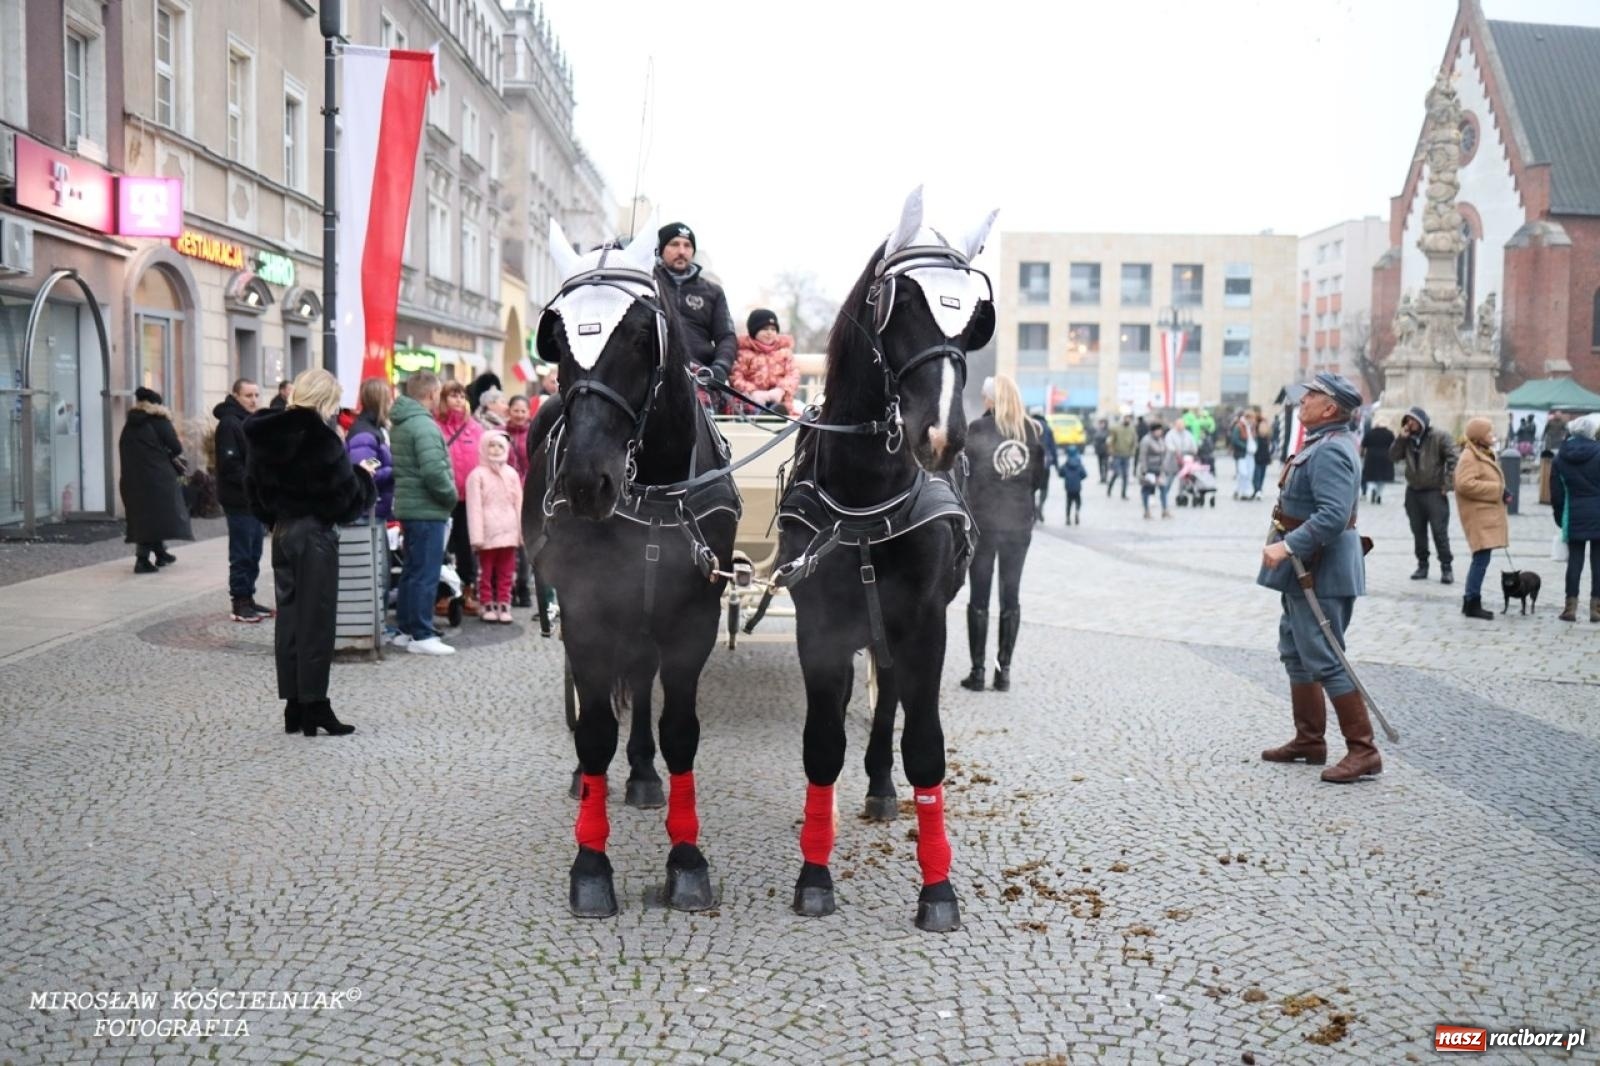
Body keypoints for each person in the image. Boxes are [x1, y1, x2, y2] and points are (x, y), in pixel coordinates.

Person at [1258, 372, 1379, 784]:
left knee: (1327, 656)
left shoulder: (1331, 450)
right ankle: (1309, 739)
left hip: (1321, 567)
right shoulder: (1320, 442)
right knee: (1295, 650)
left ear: (1330, 408)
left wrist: (1287, 546)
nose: (1303, 400)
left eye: (1311, 396)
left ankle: (1364, 751)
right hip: (1305, 567)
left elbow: (1332, 514)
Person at [244, 368, 377, 737]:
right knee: (316, 619)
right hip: (314, 535)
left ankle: (294, 705)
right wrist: (363, 476)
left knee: (289, 618)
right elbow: (342, 500)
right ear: (324, 399)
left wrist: (274, 516)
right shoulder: (321, 437)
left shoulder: (266, 434)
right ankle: (316, 704)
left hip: (283, 532)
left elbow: (252, 488)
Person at [960, 377, 1046, 692]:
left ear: (990, 400)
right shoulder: (1032, 432)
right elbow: (1037, 479)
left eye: (985, 398)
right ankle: (1003, 671)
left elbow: (964, 476)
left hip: (983, 524)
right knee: (1011, 598)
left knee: (979, 598)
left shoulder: (977, 431)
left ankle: (978, 672)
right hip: (1018, 524)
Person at [390, 371, 459, 656]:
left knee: (412, 571)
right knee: (425, 573)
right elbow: (434, 471)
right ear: (431, 394)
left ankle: (407, 629)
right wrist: (451, 495)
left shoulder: (403, 422)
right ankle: (421, 633)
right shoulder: (424, 426)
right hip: (427, 508)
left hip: (411, 506)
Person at [655, 221, 736, 403]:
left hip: (700, 378)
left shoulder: (713, 291)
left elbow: (726, 337)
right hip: (655, 375)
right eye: (674, 244)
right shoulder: (647, 285)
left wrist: (720, 368)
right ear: (660, 249)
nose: (682, 251)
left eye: (687, 245)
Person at [212, 378, 273, 621]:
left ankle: (249, 597)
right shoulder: (229, 423)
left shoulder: (249, 421)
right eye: (248, 395)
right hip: (239, 499)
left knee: (254, 551)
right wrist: (254, 480)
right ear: (236, 396)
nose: (254, 400)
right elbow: (230, 465)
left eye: (257, 395)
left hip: (253, 499)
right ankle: (240, 602)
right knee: (242, 553)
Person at [119, 386, 193, 573]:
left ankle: (160, 553)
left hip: (133, 478)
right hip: (158, 477)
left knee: (146, 515)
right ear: (157, 404)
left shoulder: (130, 424)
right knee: (156, 515)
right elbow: (175, 447)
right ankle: (142, 560)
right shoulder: (160, 421)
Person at [1389, 406, 1459, 584]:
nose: (1409, 424)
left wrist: (1448, 484)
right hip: (1413, 492)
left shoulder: (1439, 437)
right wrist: (1400, 440)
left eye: (1412, 420)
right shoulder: (1407, 440)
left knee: (1439, 532)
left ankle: (1446, 567)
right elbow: (1393, 456)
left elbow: (1454, 458)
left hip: (1435, 492)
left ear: (1422, 421)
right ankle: (1422, 565)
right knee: (1418, 531)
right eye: (1407, 421)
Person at [435, 380, 484, 615]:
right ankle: (444, 593)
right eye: (452, 395)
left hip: (469, 498)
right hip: (443, 497)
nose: (458, 400)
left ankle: (467, 590)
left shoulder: (475, 428)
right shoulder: (436, 426)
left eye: (461, 396)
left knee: (466, 546)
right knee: (443, 547)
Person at [1453, 417, 1509, 622]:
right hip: (1477, 515)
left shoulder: (1481, 453)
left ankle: (1471, 601)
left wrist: (1503, 491)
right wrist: (1496, 490)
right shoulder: (1469, 456)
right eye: (1489, 432)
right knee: (1480, 559)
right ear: (1479, 436)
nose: (1492, 435)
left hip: (1484, 513)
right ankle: (1472, 601)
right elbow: (1464, 484)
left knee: (1481, 559)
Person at [466, 429, 524, 625]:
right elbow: (474, 508)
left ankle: (504, 602)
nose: (496, 449)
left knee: (507, 570)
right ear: (483, 447)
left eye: (500, 446)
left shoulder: (512, 474)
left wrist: (522, 532)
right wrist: (477, 536)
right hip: (487, 531)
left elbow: (519, 504)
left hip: (509, 530)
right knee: (486, 571)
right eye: (492, 445)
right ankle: (487, 602)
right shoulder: (477, 475)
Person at [1551, 414, 1600, 623]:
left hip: (1573, 514)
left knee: (1575, 561)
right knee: (1598, 562)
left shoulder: (1560, 457)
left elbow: (1556, 492)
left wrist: (1560, 518)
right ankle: (1596, 609)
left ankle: (1570, 607)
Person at [345, 378, 395, 522]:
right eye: (388, 399)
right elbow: (364, 474)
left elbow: (374, 462)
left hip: (375, 512)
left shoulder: (373, 430)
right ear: (380, 401)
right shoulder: (365, 435)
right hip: (368, 515)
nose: (391, 403)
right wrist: (394, 470)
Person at [731, 308, 799, 414]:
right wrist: (752, 392)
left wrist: (780, 390)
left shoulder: (784, 353)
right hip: (752, 400)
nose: (769, 333)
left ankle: (777, 412)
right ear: (754, 331)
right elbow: (736, 376)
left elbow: (793, 375)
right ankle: (761, 413)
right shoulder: (743, 353)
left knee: (782, 409)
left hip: (779, 399)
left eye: (773, 329)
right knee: (749, 407)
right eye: (764, 329)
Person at [504, 394, 534, 608]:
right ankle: (506, 587)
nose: (519, 414)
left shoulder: (533, 434)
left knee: (524, 542)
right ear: (509, 411)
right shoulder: (500, 435)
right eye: (516, 410)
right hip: (503, 495)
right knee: (505, 541)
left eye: (523, 411)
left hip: (526, 494)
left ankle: (522, 586)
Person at [1136, 422, 1171, 519]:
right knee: (1146, 489)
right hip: (1149, 469)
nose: (1160, 432)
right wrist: (1144, 470)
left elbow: (1165, 452)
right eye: (1158, 430)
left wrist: (1164, 466)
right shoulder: (1146, 441)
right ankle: (1146, 511)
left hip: (1159, 469)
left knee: (1163, 488)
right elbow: (1142, 456)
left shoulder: (1161, 440)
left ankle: (1165, 510)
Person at [1359, 417, 1396, 505]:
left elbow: (1363, 445)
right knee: (1382, 478)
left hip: (1371, 457)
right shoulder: (1390, 434)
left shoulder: (1370, 433)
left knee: (1371, 476)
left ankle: (1373, 489)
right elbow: (1394, 446)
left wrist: (1362, 454)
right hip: (1385, 456)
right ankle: (1379, 494)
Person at [1106, 414, 1136, 499]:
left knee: (1125, 475)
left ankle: (1123, 493)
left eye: (1129, 418)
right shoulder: (1116, 428)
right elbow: (1111, 440)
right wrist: (1111, 451)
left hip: (1126, 455)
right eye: (1126, 418)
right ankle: (1109, 488)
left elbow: (1134, 441)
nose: (1127, 420)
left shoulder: (1132, 429)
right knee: (1116, 473)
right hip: (1117, 454)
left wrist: (1132, 452)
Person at [1229, 412, 1255, 501]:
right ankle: (1242, 491)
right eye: (1251, 419)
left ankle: (1244, 491)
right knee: (1243, 473)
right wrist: (1245, 447)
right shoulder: (1238, 427)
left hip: (1250, 454)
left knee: (1249, 474)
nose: (1252, 421)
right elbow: (1235, 440)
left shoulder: (1250, 427)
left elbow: (1253, 438)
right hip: (1241, 454)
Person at [1058, 445, 1086, 525]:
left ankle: (1068, 517)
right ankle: (1077, 511)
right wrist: (1079, 478)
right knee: (1078, 501)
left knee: (1069, 503)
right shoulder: (1079, 464)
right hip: (1077, 487)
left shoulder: (1066, 464)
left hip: (1068, 487)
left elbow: (1060, 473)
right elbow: (1084, 474)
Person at [1251, 410, 1273, 499]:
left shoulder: (1256, 432)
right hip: (1264, 455)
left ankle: (1257, 489)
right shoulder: (1267, 432)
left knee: (1257, 473)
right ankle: (1259, 489)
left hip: (1258, 455)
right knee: (1261, 473)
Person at [1090, 418, 1110, 484]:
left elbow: (1107, 439)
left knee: (1105, 465)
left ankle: (1105, 477)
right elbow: (1095, 440)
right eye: (1100, 423)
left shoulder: (1107, 431)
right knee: (1100, 465)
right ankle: (1102, 478)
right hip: (1099, 451)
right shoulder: (1097, 431)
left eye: (1102, 423)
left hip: (1105, 451)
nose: (1101, 425)